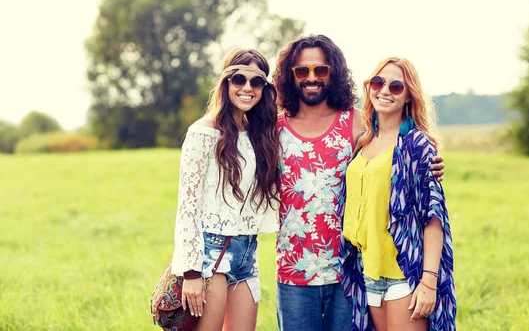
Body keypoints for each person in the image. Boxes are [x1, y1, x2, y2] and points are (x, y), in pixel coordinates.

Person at [272, 35, 446, 331]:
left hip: (349, 272)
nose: (311, 78)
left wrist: (433, 164)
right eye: (302, 71)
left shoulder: (355, 124)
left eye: (321, 70)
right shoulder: (275, 128)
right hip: (294, 274)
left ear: (333, 73)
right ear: (290, 76)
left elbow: (402, 153)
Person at [338, 57, 456, 331]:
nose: (384, 91)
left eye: (395, 86)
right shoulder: (363, 142)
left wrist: (428, 282)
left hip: (405, 273)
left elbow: (433, 217)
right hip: (368, 271)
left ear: (408, 96)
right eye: (377, 83)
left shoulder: (416, 144)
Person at [170, 48, 281, 331]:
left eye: (256, 82)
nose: (247, 88)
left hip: (247, 253)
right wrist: (192, 273)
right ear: (225, 83)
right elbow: (187, 206)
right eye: (239, 79)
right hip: (210, 255)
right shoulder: (203, 132)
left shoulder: (260, 134)